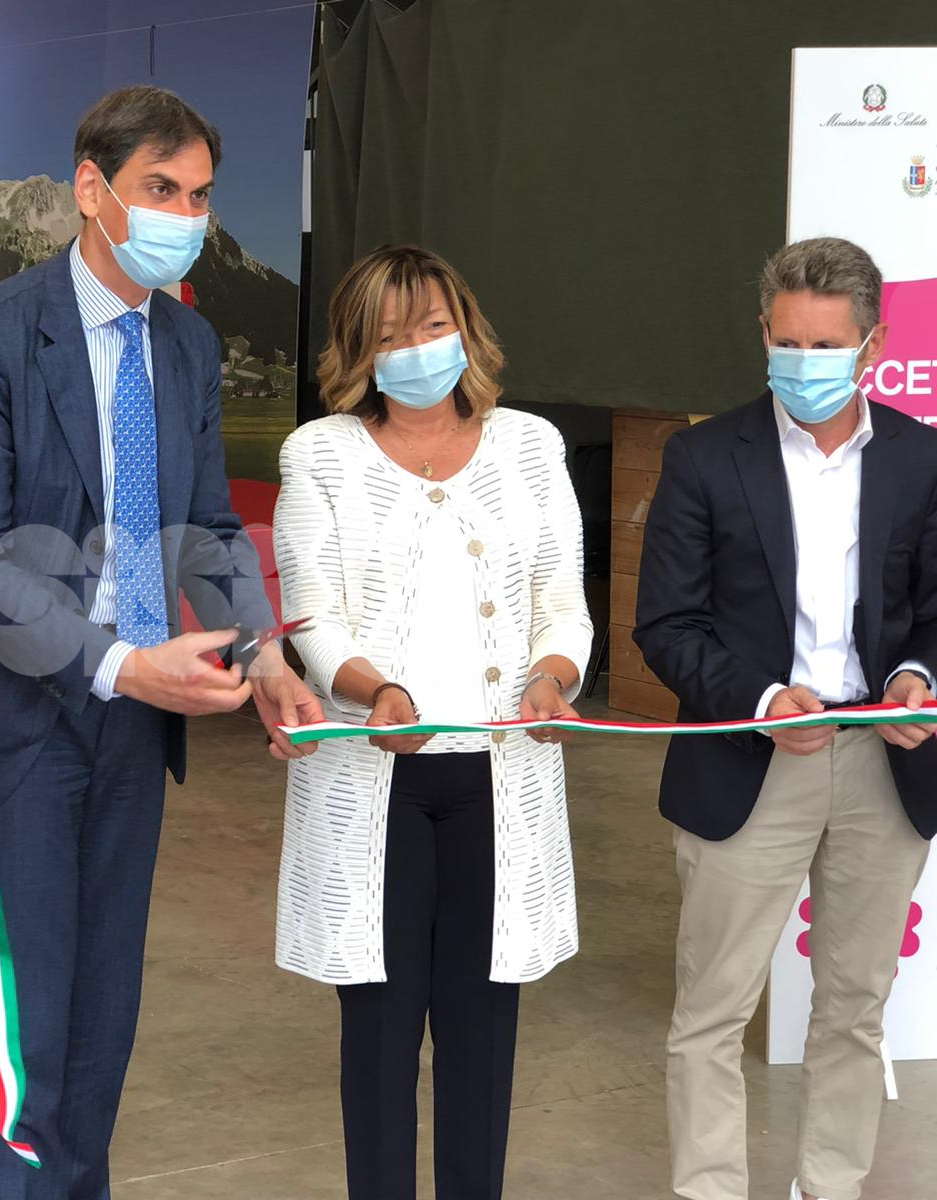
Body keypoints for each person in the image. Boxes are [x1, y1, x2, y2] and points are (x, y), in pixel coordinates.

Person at [0, 84, 323, 1199]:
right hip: (20, 725)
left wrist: (262, 652)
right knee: (28, 1025)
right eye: (161, 189)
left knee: (103, 1021)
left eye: (199, 196)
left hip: (134, 733)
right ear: (91, 190)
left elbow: (206, 527)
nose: (184, 216)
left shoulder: (186, 342)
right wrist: (119, 663)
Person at [272, 245, 593, 1200]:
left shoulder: (531, 446)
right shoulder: (319, 454)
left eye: (433, 326)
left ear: (466, 330)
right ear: (358, 352)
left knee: (481, 1037)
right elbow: (312, 617)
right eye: (390, 335)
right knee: (377, 1040)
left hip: (501, 779)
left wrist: (554, 675)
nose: (417, 349)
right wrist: (373, 689)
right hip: (376, 785)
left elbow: (562, 602)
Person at [634, 236, 937, 1200]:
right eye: (786, 342)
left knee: (855, 1008)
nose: (803, 364)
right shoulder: (702, 457)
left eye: (825, 346)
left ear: (873, 345)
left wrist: (916, 675)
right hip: (747, 760)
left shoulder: (922, 459)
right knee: (712, 1010)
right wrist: (761, 702)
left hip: (882, 763)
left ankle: (831, 1186)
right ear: (763, 333)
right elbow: (665, 624)